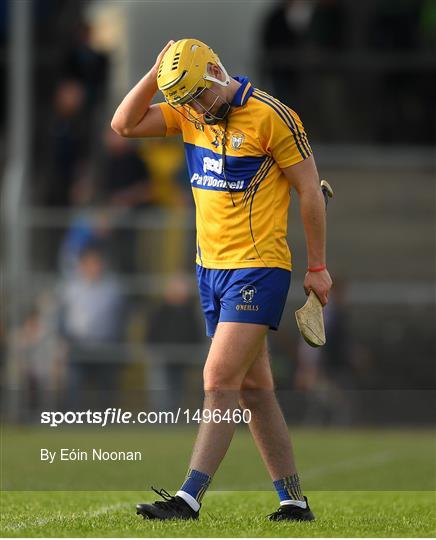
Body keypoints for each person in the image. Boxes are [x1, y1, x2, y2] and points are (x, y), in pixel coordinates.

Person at [112, 38, 332, 522]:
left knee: (217, 379)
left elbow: (310, 192)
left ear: (215, 71)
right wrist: (155, 72)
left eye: (196, 95)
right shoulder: (190, 112)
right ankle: (294, 501)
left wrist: (317, 267)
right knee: (254, 390)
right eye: (183, 99)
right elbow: (124, 124)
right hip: (209, 270)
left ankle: (187, 498)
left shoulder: (273, 116)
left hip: (259, 266)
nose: (193, 107)